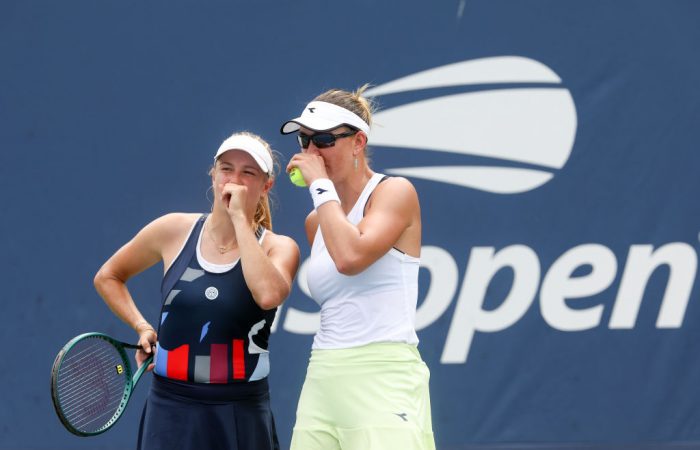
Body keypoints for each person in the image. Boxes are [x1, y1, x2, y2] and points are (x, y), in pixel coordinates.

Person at [93, 131, 300, 450]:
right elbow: (108, 276)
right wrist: (142, 326)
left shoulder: (279, 247)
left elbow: (268, 295)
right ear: (213, 175)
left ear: (266, 186)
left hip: (240, 414)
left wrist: (240, 221)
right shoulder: (173, 229)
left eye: (248, 173)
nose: (234, 179)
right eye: (226, 168)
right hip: (169, 411)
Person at [281, 86, 436, 450]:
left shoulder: (395, 191)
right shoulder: (316, 222)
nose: (311, 152)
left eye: (322, 140)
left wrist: (319, 185)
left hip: (384, 373)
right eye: (305, 141)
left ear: (358, 142)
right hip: (323, 375)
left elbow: (351, 258)